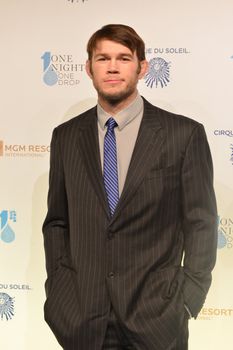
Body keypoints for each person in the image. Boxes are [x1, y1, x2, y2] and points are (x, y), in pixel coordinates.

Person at [42, 24, 217, 350]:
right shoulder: (65, 137)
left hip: (157, 319)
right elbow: (57, 223)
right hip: (83, 321)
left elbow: (201, 223)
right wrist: (60, 292)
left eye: (123, 58)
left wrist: (188, 298)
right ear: (88, 68)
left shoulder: (183, 135)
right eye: (102, 58)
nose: (112, 67)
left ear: (142, 67)